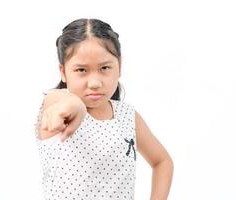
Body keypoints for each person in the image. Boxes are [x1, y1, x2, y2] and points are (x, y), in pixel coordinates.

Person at [34, 18, 174, 200]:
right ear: (63, 72)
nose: (95, 83)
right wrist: (76, 106)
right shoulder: (54, 104)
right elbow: (62, 102)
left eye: (105, 67)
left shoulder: (127, 115)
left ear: (120, 67)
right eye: (81, 70)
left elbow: (162, 162)